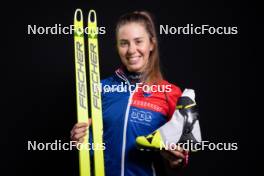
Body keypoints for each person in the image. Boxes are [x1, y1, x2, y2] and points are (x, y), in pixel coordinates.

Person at [70, 11, 189, 176]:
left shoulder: (170, 93)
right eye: (124, 43)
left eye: (138, 41)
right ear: (117, 47)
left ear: (151, 44)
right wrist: (81, 140)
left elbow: (179, 155)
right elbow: (94, 149)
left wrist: (176, 159)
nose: (131, 50)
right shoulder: (100, 89)